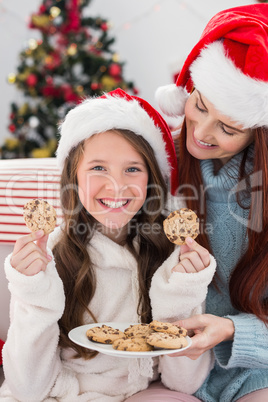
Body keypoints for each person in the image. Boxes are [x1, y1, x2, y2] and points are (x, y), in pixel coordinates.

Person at [0, 88, 217, 401]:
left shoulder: (173, 255)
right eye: (98, 167)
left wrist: (182, 295)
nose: (116, 185)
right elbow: (28, 388)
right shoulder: (50, 254)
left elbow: (186, 383)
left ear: (150, 181)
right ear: (73, 177)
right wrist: (33, 294)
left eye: (132, 168)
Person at [126, 3, 268, 402]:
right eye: (199, 105)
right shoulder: (151, 161)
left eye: (227, 127)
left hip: (253, 369)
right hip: (169, 368)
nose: (200, 131)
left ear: (256, 132)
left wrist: (233, 330)